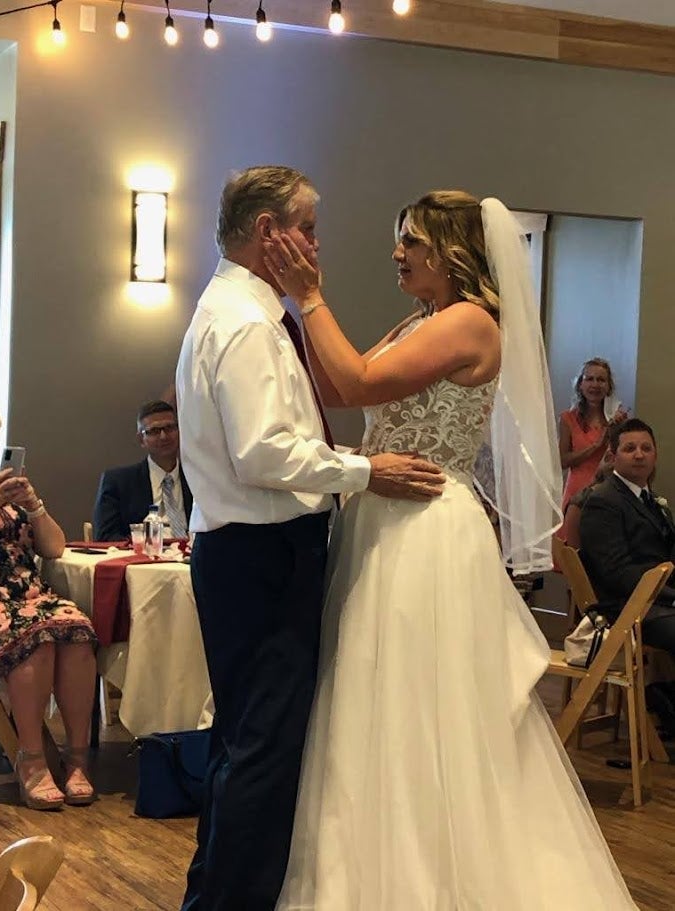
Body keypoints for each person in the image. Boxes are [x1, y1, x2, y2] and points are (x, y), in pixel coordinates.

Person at [265, 190, 639, 909]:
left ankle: (431, 869)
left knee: (416, 698)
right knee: (367, 695)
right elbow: (329, 384)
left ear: (450, 249)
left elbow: (359, 381)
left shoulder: (468, 322)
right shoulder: (423, 318)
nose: (397, 252)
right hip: (381, 519)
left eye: (410, 239)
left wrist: (309, 293)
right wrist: (290, 311)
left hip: (427, 529)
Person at [175, 165, 446, 911]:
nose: (318, 244)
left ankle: (212, 895)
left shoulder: (241, 310)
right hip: (262, 551)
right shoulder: (246, 323)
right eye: (310, 228)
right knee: (264, 748)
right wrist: (364, 469)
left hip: (245, 549)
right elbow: (264, 452)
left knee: (245, 743)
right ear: (270, 234)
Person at [0, 409, 97, 810]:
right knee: (37, 636)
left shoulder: (6, 486)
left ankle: (76, 758)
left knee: (76, 629)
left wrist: (33, 504)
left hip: (29, 594)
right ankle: (31, 760)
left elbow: (53, 548)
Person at [580, 418, 675, 658]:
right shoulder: (603, 502)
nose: (639, 455)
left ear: (655, 456)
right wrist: (671, 598)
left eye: (646, 448)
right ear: (613, 457)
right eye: (629, 448)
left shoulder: (649, 499)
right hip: (626, 608)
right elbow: (617, 573)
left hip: (655, 601)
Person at [93, 400, 192, 540]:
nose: (164, 436)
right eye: (155, 431)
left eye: (169, 428)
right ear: (141, 439)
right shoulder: (118, 483)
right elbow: (105, 537)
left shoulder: (196, 479)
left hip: (192, 558)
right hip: (142, 557)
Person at [558, 358, 627, 531]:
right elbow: (562, 461)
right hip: (576, 490)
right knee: (572, 547)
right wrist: (596, 445)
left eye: (601, 380)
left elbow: (621, 459)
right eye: (589, 379)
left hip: (608, 489)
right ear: (580, 384)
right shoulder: (568, 418)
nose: (595, 385)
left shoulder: (617, 419)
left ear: (608, 386)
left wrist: (618, 430)